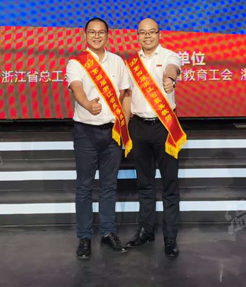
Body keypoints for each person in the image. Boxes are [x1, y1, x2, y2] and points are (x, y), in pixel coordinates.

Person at [66, 17, 133, 260]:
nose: (96, 36)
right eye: (92, 32)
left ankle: (108, 232)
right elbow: (77, 88)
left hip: (112, 132)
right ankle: (84, 237)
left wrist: (124, 126)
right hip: (86, 132)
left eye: (101, 32)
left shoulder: (117, 61)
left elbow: (126, 94)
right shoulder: (76, 62)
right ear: (85, 35)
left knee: (109, 185)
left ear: (107, 35)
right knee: (84, 187)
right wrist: (87, 104)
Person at [121, 18, 186, 258]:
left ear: (159, 34)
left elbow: (173, 69)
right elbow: (127, 97)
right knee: (145, 183)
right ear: (137, 36)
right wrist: (124, 127)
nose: (147, 36)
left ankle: (170, 237)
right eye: (142, 32)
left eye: (151, 32)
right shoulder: (130, 64)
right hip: (138, 127)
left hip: (164, 127)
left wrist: (170, 79)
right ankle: (146, 231)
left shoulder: (170, 56)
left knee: (169, 184)